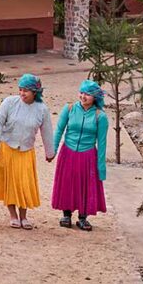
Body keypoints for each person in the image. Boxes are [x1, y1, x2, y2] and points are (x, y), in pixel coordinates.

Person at [0, 73, 54, 229]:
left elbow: (47, 131)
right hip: (7, 148)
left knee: (24, 183)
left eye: (26, 90)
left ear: (35, 92)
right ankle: (13, 215)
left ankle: (24, 216)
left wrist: (49, 152)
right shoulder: (9, 103)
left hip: (26, 150)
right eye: (20, 89)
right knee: (10, 183)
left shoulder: (42, 109)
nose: (22, 93)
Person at [51, 79, 109, 230]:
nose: (83, 96)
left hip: (88, 154)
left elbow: (102, 143)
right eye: (81, 92)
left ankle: (83, 218)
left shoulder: (100, 116)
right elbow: (59, 130)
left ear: (95, 97)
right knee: (67, 182)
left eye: (88, 94)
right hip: (68, 152)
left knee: (86, 184)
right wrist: (53, 150)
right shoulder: (69, 109)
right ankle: (66, 215)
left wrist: (101, 167)